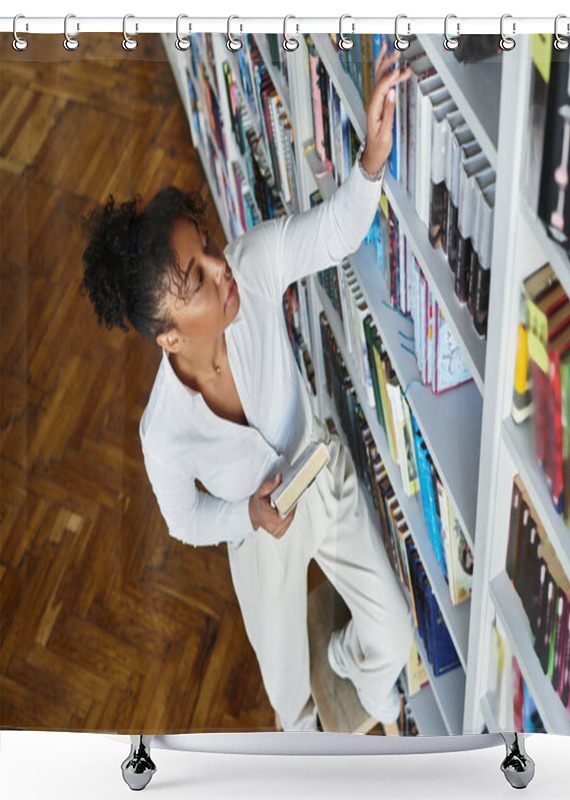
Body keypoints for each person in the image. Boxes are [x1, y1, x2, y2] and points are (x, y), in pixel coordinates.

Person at [81, 42, 415, 732]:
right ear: (168, 336)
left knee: (395, 641)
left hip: (320, 474)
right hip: (260, 536)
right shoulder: (163, 433)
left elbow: (335, 233)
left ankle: (351, 667)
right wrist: (249, 517)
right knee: (292, 707)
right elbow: (183, 520)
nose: (219, 268)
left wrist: (374, 156)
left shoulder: (252, 266)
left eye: (206, 248)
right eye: (197, 279)